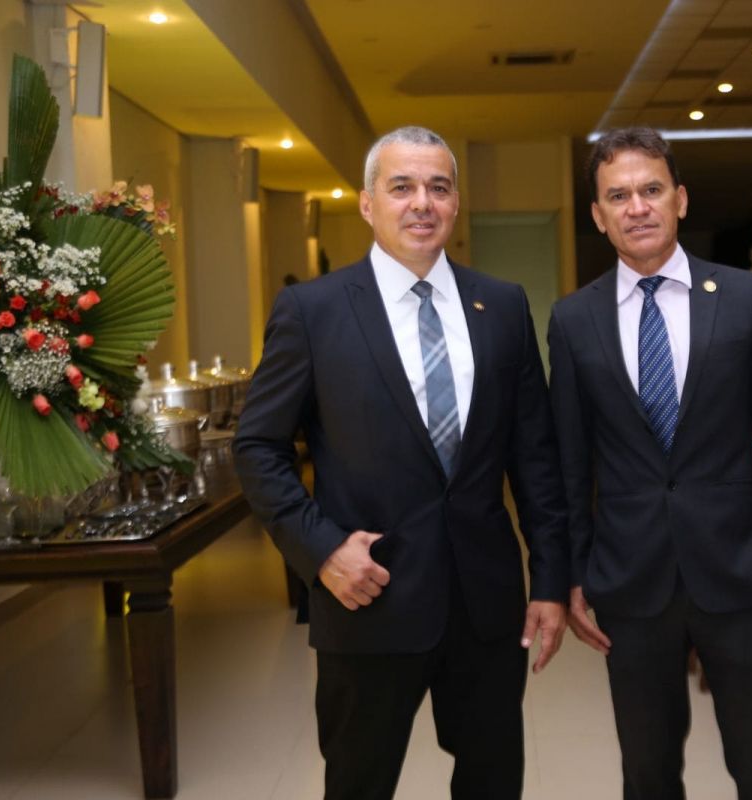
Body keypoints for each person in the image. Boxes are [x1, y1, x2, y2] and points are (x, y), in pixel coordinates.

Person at [233, 126, 569, 800]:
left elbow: (534, 456)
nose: (422, 202)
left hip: (485, 605)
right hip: (366, 596)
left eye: (439, 187)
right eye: (402, 187)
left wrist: (551, 581)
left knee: (493, 782)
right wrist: (322, 551)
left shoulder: (502, 306)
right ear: (367, 203)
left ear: (455, 204)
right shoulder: (313, 311)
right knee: (358, 783)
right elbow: (258, 447)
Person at [547, 126, 752, 800]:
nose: (637, 207)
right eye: (618, 196)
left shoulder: (745, 299)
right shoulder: (573, 320)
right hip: (631, 577)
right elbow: (570, 462)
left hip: (739, 568)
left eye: (651, 190)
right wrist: (572, 573)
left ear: (680, 199)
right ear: (598, 215)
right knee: (648, 772)